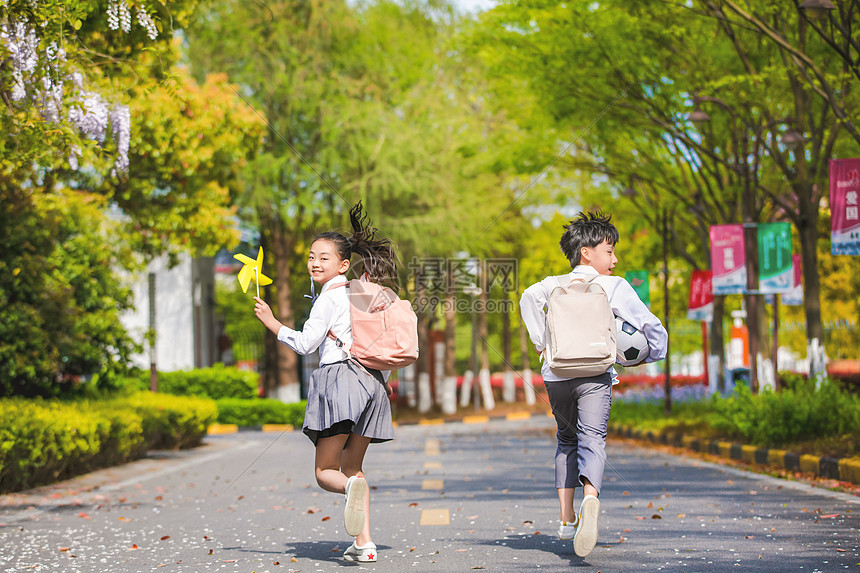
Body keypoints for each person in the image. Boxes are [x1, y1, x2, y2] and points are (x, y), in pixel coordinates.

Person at [253, 202, 397, 563]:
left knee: (325, 472)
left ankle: (351, 491)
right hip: (374, 385)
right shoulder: (365, 292)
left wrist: (272, 322)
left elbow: (306, 344)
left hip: (340, 382)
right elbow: (384, 342)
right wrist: (384, 381)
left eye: (324, 258)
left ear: (343, 265)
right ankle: (364, 545)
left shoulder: (330, 298)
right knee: (354, 468)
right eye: (311, 257)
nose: (314, 263)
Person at [519, 211, 667, 558]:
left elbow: (527, 298)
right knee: (593, 439)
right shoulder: (612, 285)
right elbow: (649, 324)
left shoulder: (550, 284)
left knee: (566, 439)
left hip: (556, 375)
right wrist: (652, 353)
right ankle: (590, 500)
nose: (614, 260)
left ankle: (566, 518)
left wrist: (541, 341)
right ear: (587, 251)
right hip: (595, 374)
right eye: (609, 250)